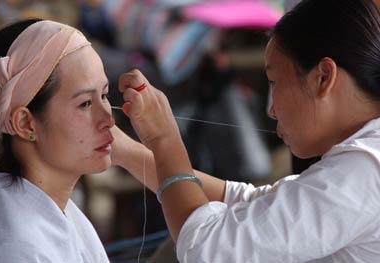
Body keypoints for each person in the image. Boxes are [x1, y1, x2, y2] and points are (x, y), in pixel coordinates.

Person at [110, 0, 380, 261]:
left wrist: (164, 138)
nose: (271, 110)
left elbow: (207, 251)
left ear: (323, 77)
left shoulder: (363, 171)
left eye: (274, 82)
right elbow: (250, 203)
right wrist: (124, 150)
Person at [0, 19, 113, 262]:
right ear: (26, 124)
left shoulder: (54, 208)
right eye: (85, 103)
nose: (108, 120)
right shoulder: (17, 251)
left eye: (104, 95)